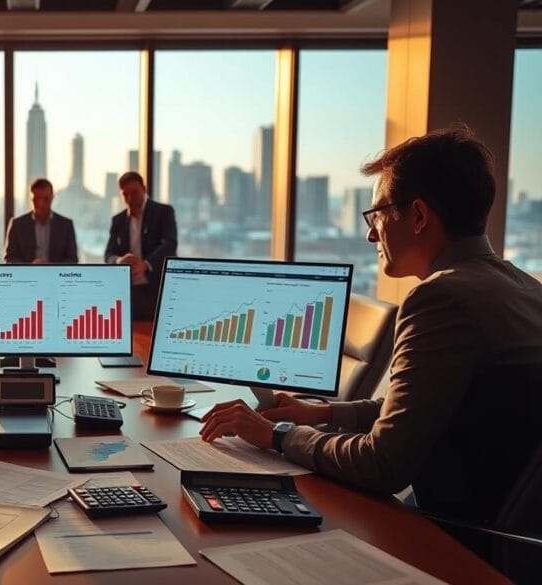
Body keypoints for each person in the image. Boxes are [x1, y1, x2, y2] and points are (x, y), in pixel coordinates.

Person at [199, 128, 542, 530]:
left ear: (418, 215)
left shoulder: (442, 298)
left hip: (452, 538)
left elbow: (382, 464)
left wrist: (276, 435)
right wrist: (324, 412)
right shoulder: (524, 287)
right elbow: (435, 406)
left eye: (377, 213)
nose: (369, 233)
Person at [104, 171, 177, 320]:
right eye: (125, 195)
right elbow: (108, 254)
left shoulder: (163, 212)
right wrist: (120, 261)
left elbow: (170, 244)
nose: (130, 199)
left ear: (144, 189)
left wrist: (145, 264)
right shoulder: (118, 220)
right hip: (128, 292)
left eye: (135, 193)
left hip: (157, 291)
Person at [3, 178, 78, 264]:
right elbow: (10, 259)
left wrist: (51, 266)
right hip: (25, 276)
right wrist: (30, 267)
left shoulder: (66, 225)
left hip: (55, 276)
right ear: (30, 199)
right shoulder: (17, 225)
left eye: (45, 199)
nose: (41, 204)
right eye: (36, 199)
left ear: (52, 198)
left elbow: (72, 260)